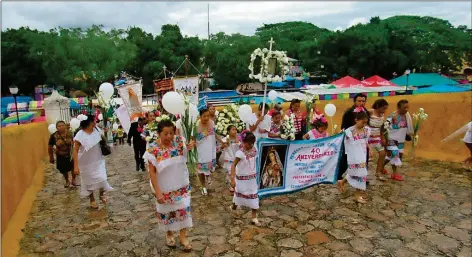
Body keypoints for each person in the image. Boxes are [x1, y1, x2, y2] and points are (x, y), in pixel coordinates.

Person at [143, 119, 195, 252]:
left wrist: (191, 146)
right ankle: (169, 234)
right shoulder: (153, 148)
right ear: (158, 133)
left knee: (183, 209)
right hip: (164, 187)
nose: (169, 137)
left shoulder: (179, 141)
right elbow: (152, 172)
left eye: (171, 133)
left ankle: (183, 237)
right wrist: (158, 191)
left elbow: (190, 145)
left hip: (181, 184)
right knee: (168, 212)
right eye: (165, 134)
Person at [73, 115, 113, 209]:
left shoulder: (97, 130)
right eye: (93, 121)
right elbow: (75, 151)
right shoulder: (79, 134)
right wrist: (75, 166)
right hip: (85, 163)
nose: (95, 122)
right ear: (89, 122)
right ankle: (92, 200)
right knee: (88, 182)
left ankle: (101, 195)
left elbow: (103, 140)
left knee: (102, 178)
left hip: (98, 160)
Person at [337, 112, 370, 203]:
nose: (364, 124)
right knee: (361, 174)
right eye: (362, 122)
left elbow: (365, 141)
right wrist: (340, 134)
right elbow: (340, 139)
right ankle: (357, 195)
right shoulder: (349, 131)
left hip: (362, 155)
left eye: (365, 122)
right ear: (356, 120)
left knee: (356, 172)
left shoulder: (366, 130)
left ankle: (342, 181)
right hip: (354, 156)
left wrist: (369, 149)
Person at [230, 131, 261, 226]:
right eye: (249, 143)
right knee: (238, 195)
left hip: (252, 179)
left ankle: (254, 217)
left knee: (254, 195)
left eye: (252, 143)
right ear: (243, 142)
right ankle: (233, 207)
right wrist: (232, 178)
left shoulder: (254, 150)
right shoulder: (240, 153)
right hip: (241, 179)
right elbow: (233, 165)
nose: (251, 145)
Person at [337, 93, 370, 181]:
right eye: (359, 101)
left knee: (364, 158)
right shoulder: (349, 112)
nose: (361, 103)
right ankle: (338, 174)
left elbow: (367, 125)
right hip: (350, 140)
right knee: (346, 158)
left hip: (361, 140)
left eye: (363, 101)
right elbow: (344, 127)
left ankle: (362, 177)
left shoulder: (365, 111)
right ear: (354, 101)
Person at [384, 99, 414, 181]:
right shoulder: (392, 116)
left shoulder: (407, 116)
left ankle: (380, 167)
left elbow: (409, 128)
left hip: (401, 140)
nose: (406, 109)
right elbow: (385, 128)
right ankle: (395, 174)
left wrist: (411, 135)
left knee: (395, 155)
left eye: (407, 107)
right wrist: (386, 142)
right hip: (392, 139)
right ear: (398, 107)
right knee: (395, 155)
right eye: (404, 107)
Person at [196, 108, 223, 195]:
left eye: (208, 116)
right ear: (200, 116)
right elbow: (193, 139)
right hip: (201, 150)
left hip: (210, 148)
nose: (207, 118)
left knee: (209, 167)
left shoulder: (211, 122)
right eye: (204, 116)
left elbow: (214, 134)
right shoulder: (196, 125)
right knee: (200, 170)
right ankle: (203, 186)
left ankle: (208, 175)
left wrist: (222, 141)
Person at [48, 120, 77, 188]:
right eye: (59, 126)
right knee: (63, 169)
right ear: (56, 127)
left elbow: (76, 142)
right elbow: (50, 147)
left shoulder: (71, 133)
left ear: (65, 126)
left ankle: (73, 179)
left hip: (71, 154)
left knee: (73, 167)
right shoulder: (54, 136)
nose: (61, 127)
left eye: (62, 125)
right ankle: (67, 180)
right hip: (61, 155)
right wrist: (51, 157)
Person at [368, 99, 389, 181]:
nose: (384, 110)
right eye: (383, 108)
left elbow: (382, 127)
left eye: (386, 108)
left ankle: (378, 172)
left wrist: (383, 138)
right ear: (377, 106)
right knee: (366, 156)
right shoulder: (370, 112)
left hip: (377, 137)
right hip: (368, 137)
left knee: (382, 153)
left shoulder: (382, 114)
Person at [221, 125, 240, 192]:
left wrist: (238, 142)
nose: (235, 131)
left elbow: (242, 147)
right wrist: (224, 145)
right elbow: (221, 147)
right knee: (230, 172)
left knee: (236, 172)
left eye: (235, 129)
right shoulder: (225, 139)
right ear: (228, 131)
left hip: (236, 159)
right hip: (229, 158)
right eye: (233, 130)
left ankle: (234, 183)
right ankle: (230, 183)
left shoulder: (238, 138)